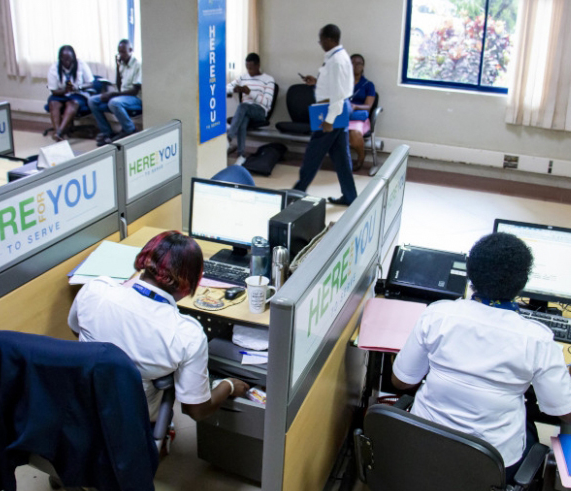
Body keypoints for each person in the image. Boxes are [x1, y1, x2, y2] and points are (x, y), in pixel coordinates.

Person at [391, 232, 571, 483]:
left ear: (469, 275)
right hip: (490, 466)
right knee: (530, 426)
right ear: (522, 282)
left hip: (423, 449)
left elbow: (401, 382)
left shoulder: (438, 316)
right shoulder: (536, 339)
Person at [68, 231, 250, 423]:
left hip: (81, 405)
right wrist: (228, 385)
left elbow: (76, 329)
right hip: (132, 419)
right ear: (189, 283)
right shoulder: (187, 334)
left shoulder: (95, 290)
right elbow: (196, 411)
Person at [293, 24, 358, 206]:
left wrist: (329, 121)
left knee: (313, 154)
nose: (320, 43)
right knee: (341, 158)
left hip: (332, 112)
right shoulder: (338, 56)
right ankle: (350, 196)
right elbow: (335, 86)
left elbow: (338, 94)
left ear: (329, 39)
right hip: (338, 109)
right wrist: (317, 82)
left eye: (321, 39)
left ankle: (297, 192)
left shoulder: (336, 60)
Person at [90, 39, 143, 146]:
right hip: (122, 96)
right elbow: (119, 86)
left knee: (113, 102)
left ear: (131, 50)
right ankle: (107, 132)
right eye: (119, 52)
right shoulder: (122, 64)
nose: (121, 55)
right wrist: (118, 67)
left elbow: (134, 91)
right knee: (92, 100)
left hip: (135, 98)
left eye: (123, 52)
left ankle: (130, 130)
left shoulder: (138, 65)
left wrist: (112, 94)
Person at [226, 53, 276, 166]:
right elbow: (226, 88)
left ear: (258, 65)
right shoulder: (243, 77)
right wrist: (234, 89)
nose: (249, 71)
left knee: (243, 107)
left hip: (260, 111)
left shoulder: (268, 79)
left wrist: (250, 92)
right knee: (243, 119)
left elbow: (267, 102)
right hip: (245, 111)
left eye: (251, 68)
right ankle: (241, 155)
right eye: (247, 68)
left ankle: (228, 138)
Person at [46, 45, 95, 141]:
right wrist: (65, 91)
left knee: (72, 103)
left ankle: (59, 132)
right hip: (60, 94)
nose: (68, 62)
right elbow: (53, 90)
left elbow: (91, 83)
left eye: (70, 59)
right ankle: (57, 131)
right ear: (60, 59)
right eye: (65, 59)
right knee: (53, 103)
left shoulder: (81, 64)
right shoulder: (54, 68)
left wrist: (78, 87)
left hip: (78, 93)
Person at [348, 54, 376, 171]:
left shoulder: (368, 85)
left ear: (363, 66)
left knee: (354, 132)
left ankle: (361, 156)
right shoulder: (342, 83)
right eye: (352, 63)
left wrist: (355, 106)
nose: (355, 66)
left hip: (358, 118)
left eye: (358, 63)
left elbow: (368, 106)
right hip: (342, 115)